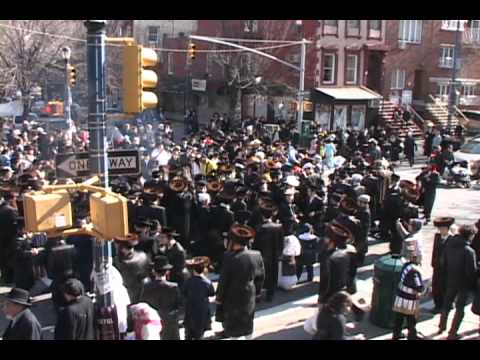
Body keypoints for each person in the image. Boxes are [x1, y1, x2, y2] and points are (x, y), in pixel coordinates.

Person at [215, 224, 265, 339]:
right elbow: (261, 277)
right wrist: (256, 292)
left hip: (232, 296)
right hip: (249, 293)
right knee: (248, 320)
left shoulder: (229, 257)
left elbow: (224, 280)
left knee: (234, 326)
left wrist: (219, 298)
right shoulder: (256, 255)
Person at [438, 225, 477, 339]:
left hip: (450, 279)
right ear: (470, 235)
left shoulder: (449, 245)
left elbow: (442, 262)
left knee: (447, 303)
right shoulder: (469, 251)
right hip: (463, 283)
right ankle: (453, 332)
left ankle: (442, 326)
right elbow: (471, 271)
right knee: (460, 308)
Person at [139, 255, 181, 340]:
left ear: (153, 271)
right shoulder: (174, 287)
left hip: (153, 323)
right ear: (167, 272)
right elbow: (180, 306)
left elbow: (143, 305)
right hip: (170, 323)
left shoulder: (147, 287)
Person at [392, 239, 425, 340]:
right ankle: (412, 336)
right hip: (409, 299)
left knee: (399, 318)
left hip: (400, 296)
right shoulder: (414, 271)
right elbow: (419, 287)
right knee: (411, 320)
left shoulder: (406, 265)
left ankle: (396, 335)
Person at [253, 207, 284, 302]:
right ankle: (270, 295)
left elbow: (256, 243)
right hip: (274, 254)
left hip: (262, 255)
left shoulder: (259, 227)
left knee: (259, 276)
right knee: (273, 275)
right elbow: (280, 243)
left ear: (262, 216)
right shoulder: (279, 227)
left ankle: (257, 295)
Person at [182, 257, 215, 340]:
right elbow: (211, 293)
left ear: (193, 270)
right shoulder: (207, 282)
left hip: (190, 309)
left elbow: (184, 293)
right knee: (199, 334)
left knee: (188, 334)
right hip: (202, 310)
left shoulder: (188, 281)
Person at [430, 217, 455, 314]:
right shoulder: (437, 237)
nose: (441, 230)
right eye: (439, 228)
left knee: (445, 287)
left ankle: (446, 304)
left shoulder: (452, 239)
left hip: (447, 268)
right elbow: (434, 251)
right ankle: (438, 304)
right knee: (436, 286)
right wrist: (434, 263)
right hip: (437, 267)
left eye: (443, 228)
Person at [278, 222, 301, 290]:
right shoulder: (294, 238)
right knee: (291, 271)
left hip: (284, 257)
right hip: (292, 257)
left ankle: (283, 284)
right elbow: (298, 250)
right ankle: (289, 284)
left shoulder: (285, 238)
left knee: (283, 271)